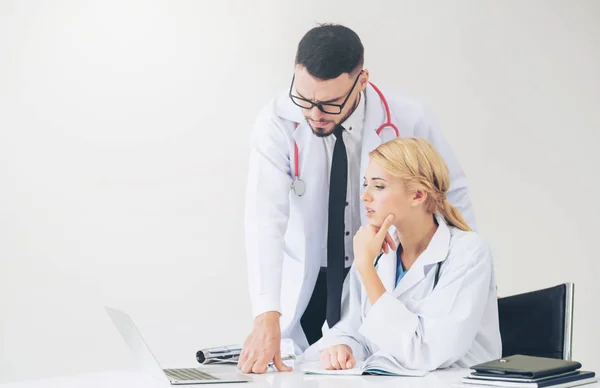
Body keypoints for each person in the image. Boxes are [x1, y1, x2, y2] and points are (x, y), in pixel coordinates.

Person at [238, 23, 478, 374]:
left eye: (330, 103)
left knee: (386, 361)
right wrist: (266, 314)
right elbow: (264, 218)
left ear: (361, 82)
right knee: (312, 367)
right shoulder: (276, 122)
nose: (314, 114)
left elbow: (452, 191)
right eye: (304, 98)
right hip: (307, 271)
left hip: (383, 266)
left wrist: (466, 275)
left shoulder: (409, 117)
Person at [305, 137, 501, 371]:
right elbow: (354, 330)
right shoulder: (379, 253)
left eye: (378, 186)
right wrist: (342, 347)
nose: (364, 196)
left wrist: (366, 269)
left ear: (418, 195)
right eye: (365, 184)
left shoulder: (467, 252)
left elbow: (424, 352)